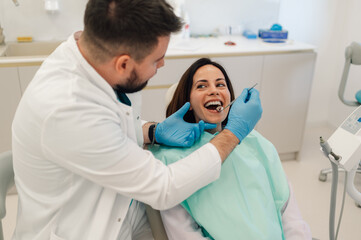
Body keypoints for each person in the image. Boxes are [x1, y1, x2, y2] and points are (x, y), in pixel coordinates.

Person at [11, 1, 263, 239]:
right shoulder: (65, 108)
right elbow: (164, 187)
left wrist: (151, 132)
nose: (162, 64)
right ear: (123, 63)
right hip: (83, 229)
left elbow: (111, 123)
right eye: (156, 60)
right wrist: (233, 133)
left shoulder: (92, 51)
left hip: (121, 204)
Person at [149, 58, 312, 240]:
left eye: (220, 84)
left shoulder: (257, 143)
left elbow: (289, 214)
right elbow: (183, 234)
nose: (214, 90)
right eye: (201, 86)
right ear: (187, 100)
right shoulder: (171, 160)